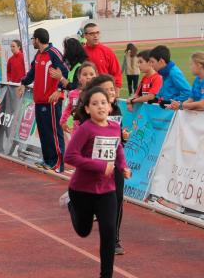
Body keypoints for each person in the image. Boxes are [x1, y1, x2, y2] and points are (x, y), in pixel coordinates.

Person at [63, 86, 131, 278]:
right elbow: (70, 156)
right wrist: (99, 166)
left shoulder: (115, 127)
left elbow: (118, 151)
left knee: (108, 232)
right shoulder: (85, 129)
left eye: (104, 102)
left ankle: (106, 275)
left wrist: (123, 167)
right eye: (95, 103)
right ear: (87, 109)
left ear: (110, 107)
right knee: (83, 231)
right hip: (82, 190)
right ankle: (71, 206)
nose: (100, 106)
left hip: (106, 189)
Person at [17, 28, 69, 172]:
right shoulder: (38, 55)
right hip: (39, 101)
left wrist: (59, 90)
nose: (32, 41)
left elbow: (65, 72)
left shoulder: (54, 53)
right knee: (44, 132)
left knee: (54, 132)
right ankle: (48, 160)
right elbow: (32, 73)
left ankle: (58, 163)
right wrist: (23, 83)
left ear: (38, 39)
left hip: (51, 101)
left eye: (33, 39)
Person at [90, 75, 130, 255]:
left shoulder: (117, 109)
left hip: (115, 164)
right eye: (106, 89)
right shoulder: (93, 111)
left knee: (118, 199)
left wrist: (124, 137)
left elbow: (118, 140)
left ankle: (114, 239)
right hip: (98, 165)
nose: (111, 92)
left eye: (112, 89)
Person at [60, 61, 97, 139]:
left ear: (96, 76)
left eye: (91, 74)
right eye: (85, 74)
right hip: (77, 131)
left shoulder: (99, 94)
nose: (88, 77)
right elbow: (69, 108)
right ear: (79, 78)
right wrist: (63, 121)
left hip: (93, 132)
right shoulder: (73, 94)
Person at [82, 23, 122, 91]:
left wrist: (117, 90)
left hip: (105, 92)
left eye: (97, 33)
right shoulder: (81, 52)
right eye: (92, 33)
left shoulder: (107, 51)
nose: (95, 36)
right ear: (85, 36)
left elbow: (116, 73)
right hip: (87, 92)